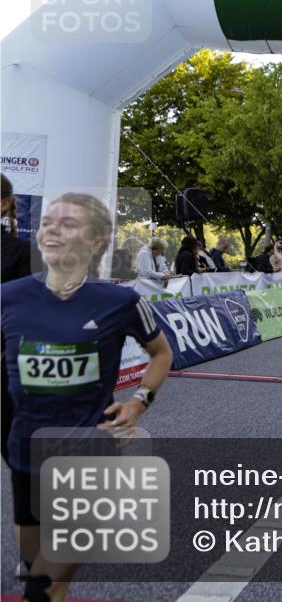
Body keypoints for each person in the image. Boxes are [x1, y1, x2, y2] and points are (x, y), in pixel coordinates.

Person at [1, 192, 172, 602]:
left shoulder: (121, 301)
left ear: (97, 241)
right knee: (34, 560)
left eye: (68, 224)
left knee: (43, 587)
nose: (52, 230)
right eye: (48, 223)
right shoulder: (8, 297)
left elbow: (161, 353)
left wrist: (138, 402)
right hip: (26, 446)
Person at [1, 175, 34, 471]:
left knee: (21, 461)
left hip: (7, 370)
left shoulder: (22, 252)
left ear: (5, 204)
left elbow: (29, 316)